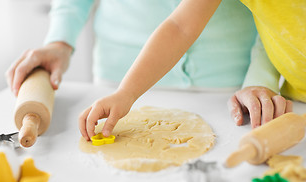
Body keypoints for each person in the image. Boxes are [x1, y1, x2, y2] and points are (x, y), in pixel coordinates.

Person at [78, 0, 292, 141]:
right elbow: (180, 26)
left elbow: (279, 18)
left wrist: (262, 79)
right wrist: (126, 93)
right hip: (116, 75)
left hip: (230, 86)